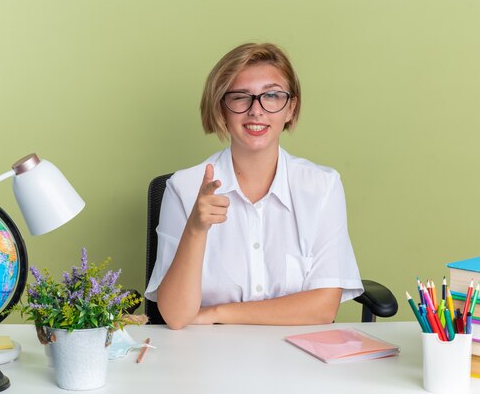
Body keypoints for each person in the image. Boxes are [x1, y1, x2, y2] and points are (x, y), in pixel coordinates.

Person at [145, 43, 363, 330]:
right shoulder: (184, 189)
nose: (256, 111)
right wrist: (196, 229)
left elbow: (323, 307)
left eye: (271, 96)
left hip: (296, 359)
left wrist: (215, 313)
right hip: (209, 359)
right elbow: (175, 316)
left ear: (290, 108)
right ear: (221, 110)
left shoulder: (322, 187)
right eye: (240, 97)